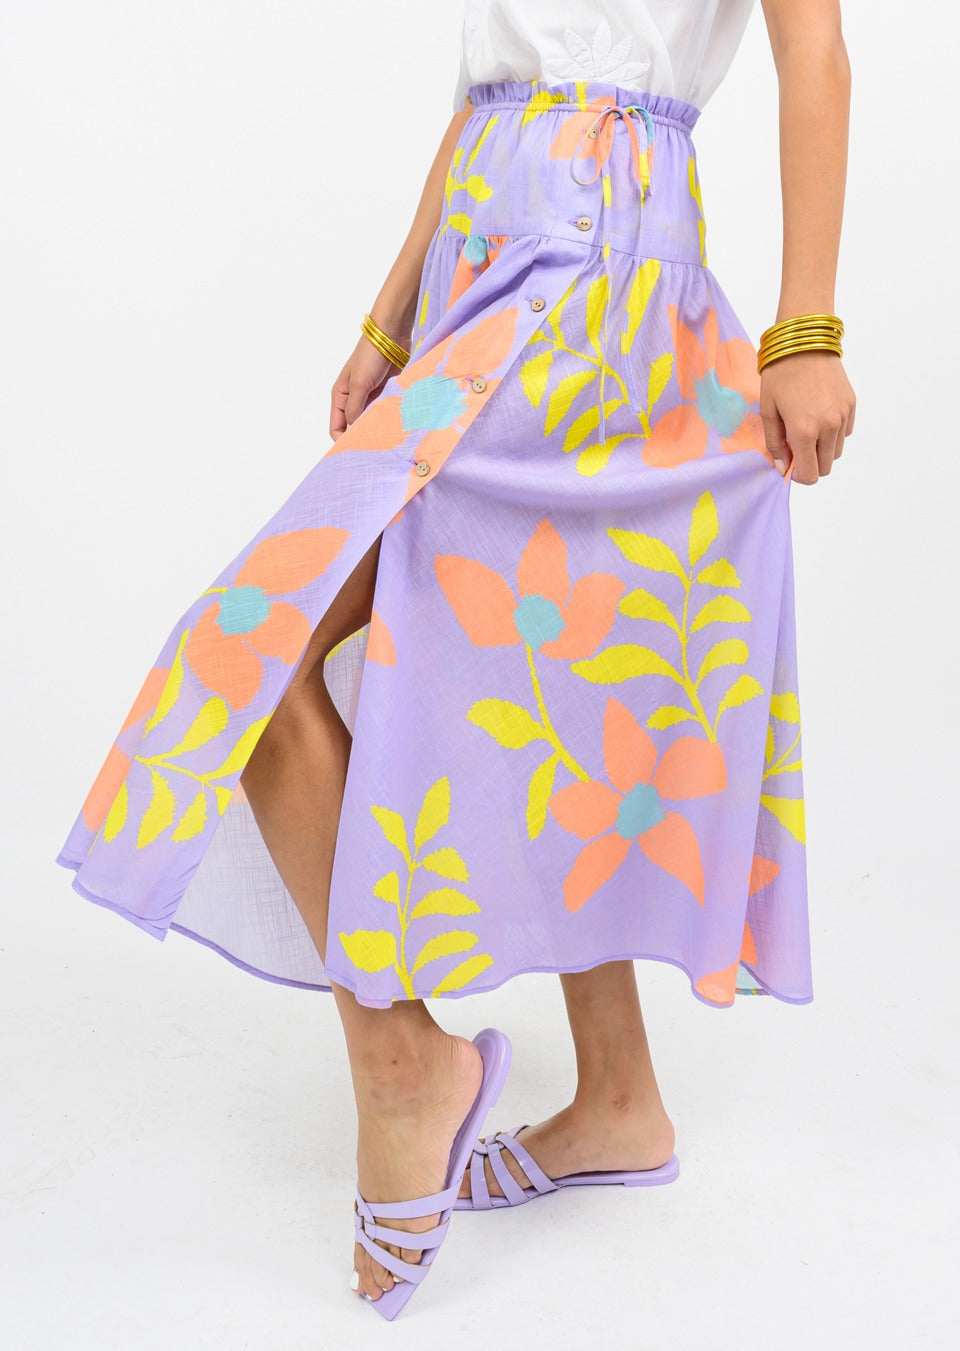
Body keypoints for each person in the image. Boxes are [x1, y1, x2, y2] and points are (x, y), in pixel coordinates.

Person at [54, 0, 854, 1320]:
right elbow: (488, 89)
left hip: (596, 292)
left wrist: (807, 327)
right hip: (481, 282)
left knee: (267, 651)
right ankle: (612, 1097)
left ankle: (403, 1066)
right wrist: (388, 322)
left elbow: (811, 44)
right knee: (541, 693)